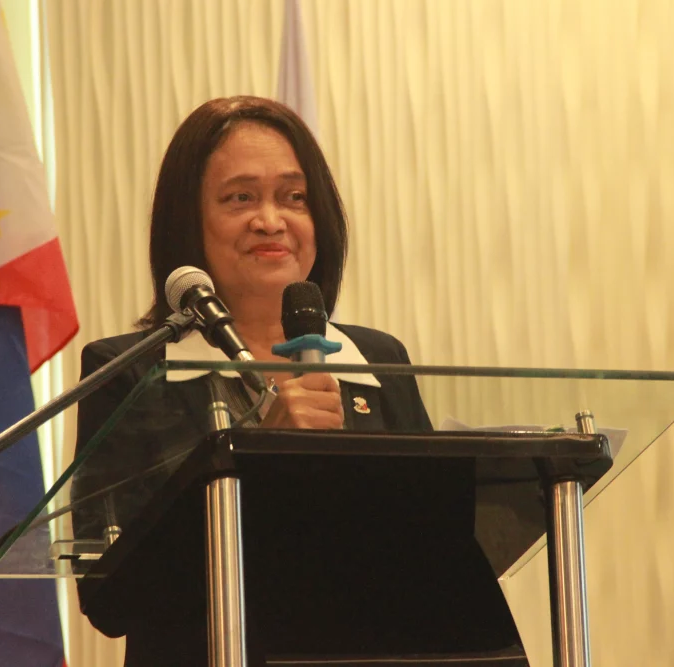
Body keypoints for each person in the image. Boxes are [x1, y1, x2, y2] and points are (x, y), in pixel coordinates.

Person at [74, 96, 524, 665]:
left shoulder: (379, 360)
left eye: (294, 197)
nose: (271, 220)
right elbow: (110, 596)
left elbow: (429, 562)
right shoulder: (130, 373)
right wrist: (262, 464)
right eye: (241, 197)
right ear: (189, 221)